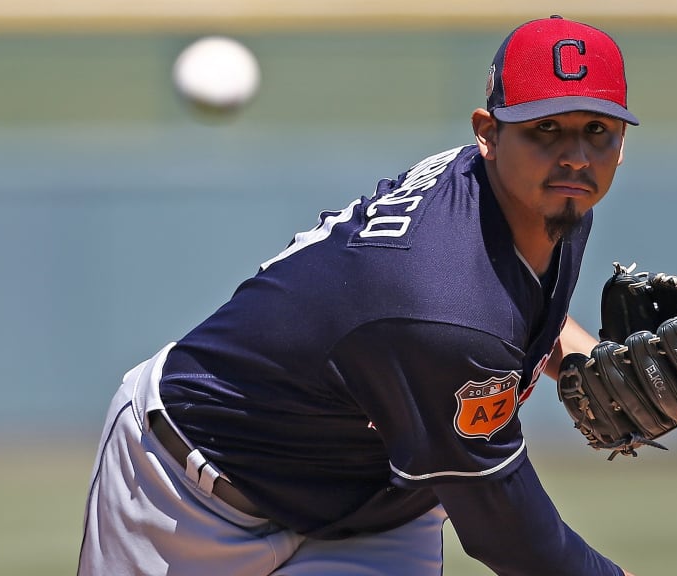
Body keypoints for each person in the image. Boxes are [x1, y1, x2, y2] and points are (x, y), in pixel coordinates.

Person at [78, 15, 639, 576]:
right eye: (545, 128)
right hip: (192, 493)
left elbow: (500, 295)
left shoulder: (540, 196)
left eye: (597, 129)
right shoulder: (437, 303)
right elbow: (510, 533)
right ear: (487, 134)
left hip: (377, 510)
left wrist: (580, 359)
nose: (575, 156)